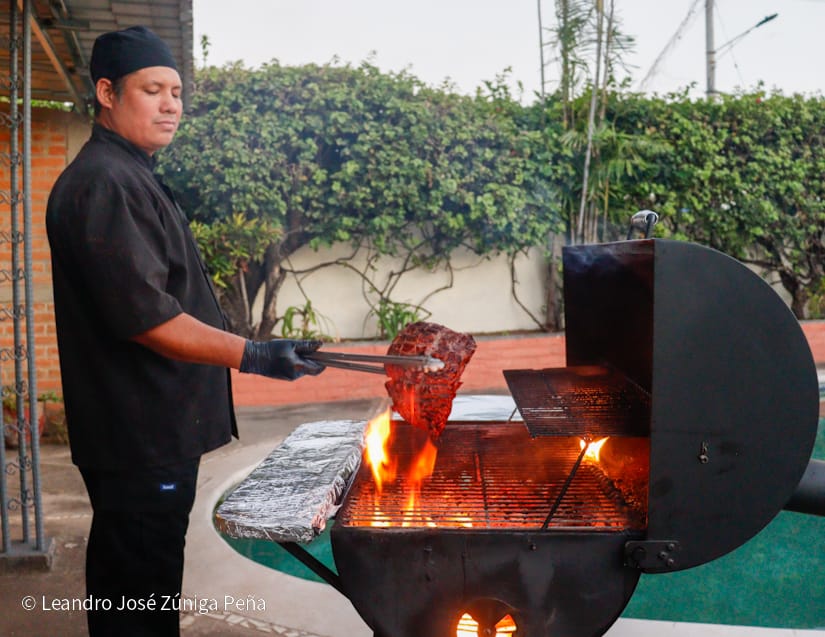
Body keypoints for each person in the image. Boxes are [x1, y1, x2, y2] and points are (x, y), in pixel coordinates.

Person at [45, 25, 324, 636]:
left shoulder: (130, 173)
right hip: (138, 436)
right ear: (107, 93)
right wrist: (252, 354)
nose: (171, 104)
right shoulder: (105, 183)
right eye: (152, 89)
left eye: (176, 91)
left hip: (148, 435)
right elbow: (148, 317)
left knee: (140, 588)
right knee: (138, 595)